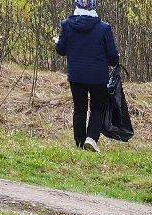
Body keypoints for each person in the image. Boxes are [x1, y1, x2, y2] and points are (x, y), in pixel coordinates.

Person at [54, 0, 119, 151]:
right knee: (97, 108)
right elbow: (112, 57)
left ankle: (79, 142)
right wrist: (115, 57)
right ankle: (91, 139)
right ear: (94, 6)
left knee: (79, 109)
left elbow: (61, 50)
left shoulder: (67, 25)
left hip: (76, 75)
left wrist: (57, 42)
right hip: (98, 76)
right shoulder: (104, 28)